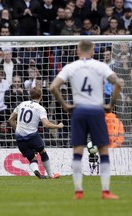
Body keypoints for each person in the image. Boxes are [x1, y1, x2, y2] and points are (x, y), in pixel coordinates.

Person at [50, 40, 122, 200]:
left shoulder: (71, 67)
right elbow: (118, 83)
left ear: (77, 51)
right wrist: (110, 105)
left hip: (79, 110)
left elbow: (53, 87)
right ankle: (105, 191)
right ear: (93, 51)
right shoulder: (100, 65)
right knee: (103, 150)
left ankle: (78, 192)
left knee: (77, 151)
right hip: (96, 110)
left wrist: (65, 105)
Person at [8, 87, 63, 179]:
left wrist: (17, 130)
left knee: (32, 158)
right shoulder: (40, 108)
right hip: (32, 137)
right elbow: (46, 124)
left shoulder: (22, 104)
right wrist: (58, 126)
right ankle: (50, 175)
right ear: (41, 96)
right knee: (42, 152)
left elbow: (11, 119)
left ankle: (36, 170)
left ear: (30, 95)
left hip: (19, 138)